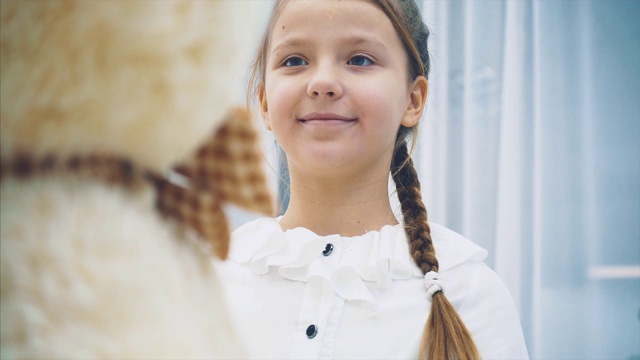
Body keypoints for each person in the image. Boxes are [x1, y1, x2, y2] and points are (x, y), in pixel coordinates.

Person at [216, 0, 529, 359]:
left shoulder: (469, 293)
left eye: (359, 60)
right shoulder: (206, 281)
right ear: (265, 104)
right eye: (295, 60)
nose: (322, 83)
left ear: (413, 100)